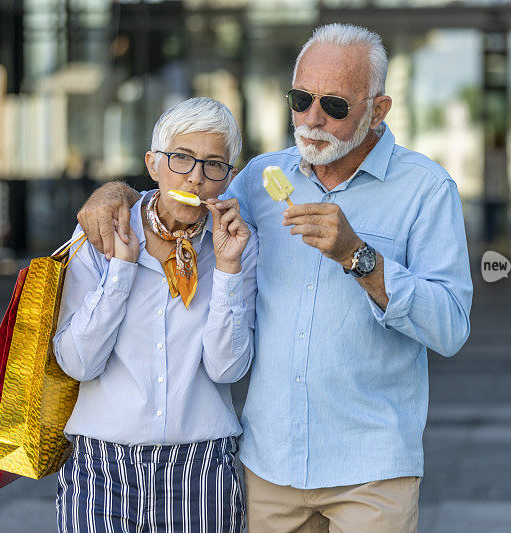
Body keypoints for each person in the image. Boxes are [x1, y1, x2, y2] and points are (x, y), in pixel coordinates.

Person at [77, 24, 472, 533]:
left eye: (334, 106)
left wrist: (359, 256)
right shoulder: (261, 180)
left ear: (378, 110)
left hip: (371, 469)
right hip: (268, 465)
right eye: (301, 98)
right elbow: (184, 201)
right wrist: (114, 193)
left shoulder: (426, 189)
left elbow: (451, 328)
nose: (311, 119)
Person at [53, 97, 256, 532]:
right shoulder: (103, 228)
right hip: (101, 468)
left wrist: (227, 269)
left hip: (202, 469)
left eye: (213, 165)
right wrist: (121, 270)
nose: (196, 177)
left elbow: (227, 370)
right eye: (181, 159)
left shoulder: (238, 244)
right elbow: (77, 363)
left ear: (229, 178)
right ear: (153, 164)